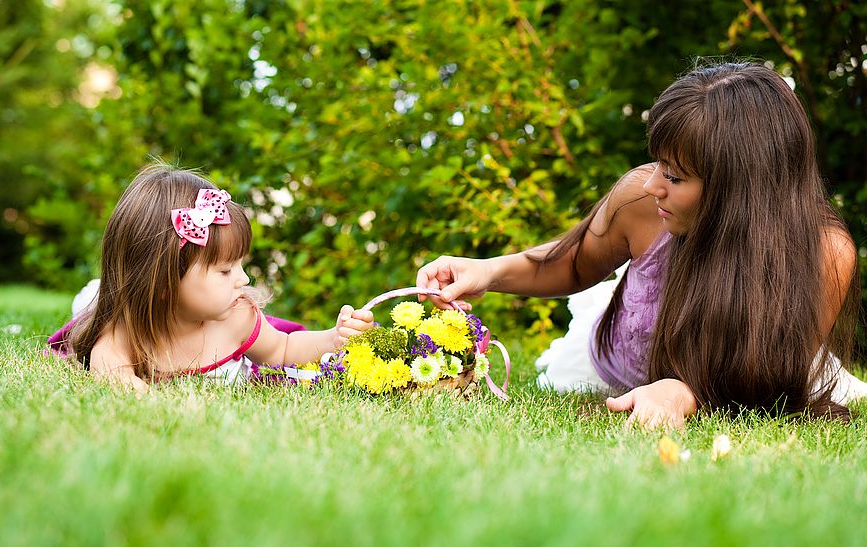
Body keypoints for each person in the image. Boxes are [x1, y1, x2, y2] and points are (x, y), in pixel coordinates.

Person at [416, 60, 863, 431]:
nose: (651, 184)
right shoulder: (643, 203)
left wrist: (685, 394)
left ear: (740, 192)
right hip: (615, 366)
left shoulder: (824, 253)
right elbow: (572, 264)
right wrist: (487, 271)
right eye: (658, 165)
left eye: (674, 176)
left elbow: (765, 389)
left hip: (757, 368)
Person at [47, 163, 374, 392]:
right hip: (127, 302)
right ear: (163, 282)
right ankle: (94, 292)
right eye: (224, 270)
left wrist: (332, 338)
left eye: (240, 265)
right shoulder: (126, 331)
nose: (243, 279)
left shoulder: (236, 318)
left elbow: (285, 349)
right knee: (91, 300)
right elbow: (114, 379)